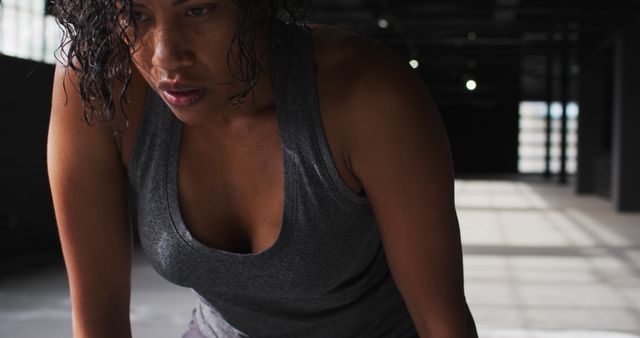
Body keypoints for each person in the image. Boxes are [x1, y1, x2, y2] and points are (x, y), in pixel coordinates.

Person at [47, 0, 478, 337]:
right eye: (135, 14)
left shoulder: (368, 96)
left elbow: (440, 322)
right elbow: (98, 318)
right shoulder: (103, 83)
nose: (166, 58)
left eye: (198, 10)